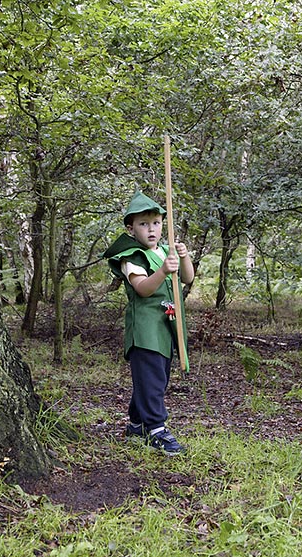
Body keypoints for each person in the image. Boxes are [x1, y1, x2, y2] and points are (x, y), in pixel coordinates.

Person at [103, 190, 194, 455]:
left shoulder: (166, 251)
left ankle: (136, 425)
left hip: (164, 329)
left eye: (155, 223)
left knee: (154, 379)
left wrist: (183, 256)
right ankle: (156, 429)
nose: (151, 229)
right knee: (151, 380)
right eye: (143, 224)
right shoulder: (131, 257)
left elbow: (187, 279)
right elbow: (143, 288)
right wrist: (164, 269)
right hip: (144, 331)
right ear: (131, 228)